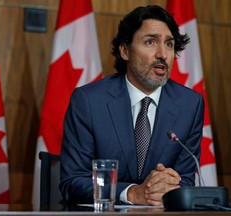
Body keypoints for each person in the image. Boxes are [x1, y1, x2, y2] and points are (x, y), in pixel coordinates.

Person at [59, 5, 204, 206]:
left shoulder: (190, 104)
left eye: (169, 45)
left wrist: (170, 186)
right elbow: (72, 182)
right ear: (125, 50)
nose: (162, 54)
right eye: (150, 42)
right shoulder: (89, 101)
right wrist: (132, 193)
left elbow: (186, 180)